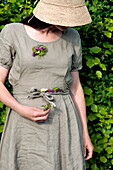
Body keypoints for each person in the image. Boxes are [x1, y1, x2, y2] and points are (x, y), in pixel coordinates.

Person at [0, 0, 94, 169]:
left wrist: (84, 134)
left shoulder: (73, 37)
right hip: (24, 122)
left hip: (63, 120)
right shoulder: (12, 32)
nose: (70, 23)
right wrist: (21, 109)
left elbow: (76, 88)